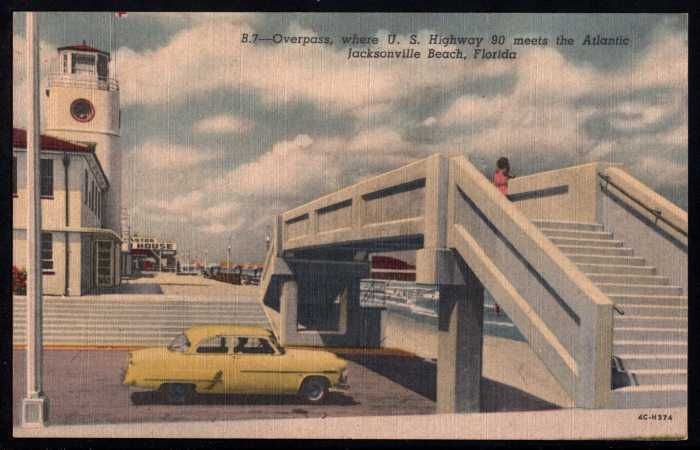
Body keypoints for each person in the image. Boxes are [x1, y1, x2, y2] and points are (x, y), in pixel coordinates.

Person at [492, 157, 515, 315]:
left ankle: (498, 302)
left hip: (500, 214)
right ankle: (498, 302)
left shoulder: (496, 177)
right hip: (503, 213)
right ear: (505, 167)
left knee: (501, 263)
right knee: (503, 262)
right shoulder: (502, 177)